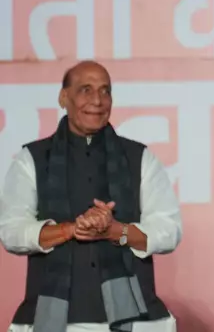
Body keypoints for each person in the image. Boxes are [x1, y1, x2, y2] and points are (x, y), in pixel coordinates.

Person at [0, 61, 182, 332]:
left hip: (137, 317)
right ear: (64, 98)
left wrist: (116, 231)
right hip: (51, 319)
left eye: (105, 91)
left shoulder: (140, 158)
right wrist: (71, 229)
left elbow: (169, 231)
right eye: (86, 90)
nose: (97, 100)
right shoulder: (31, 160)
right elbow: (10, 232)